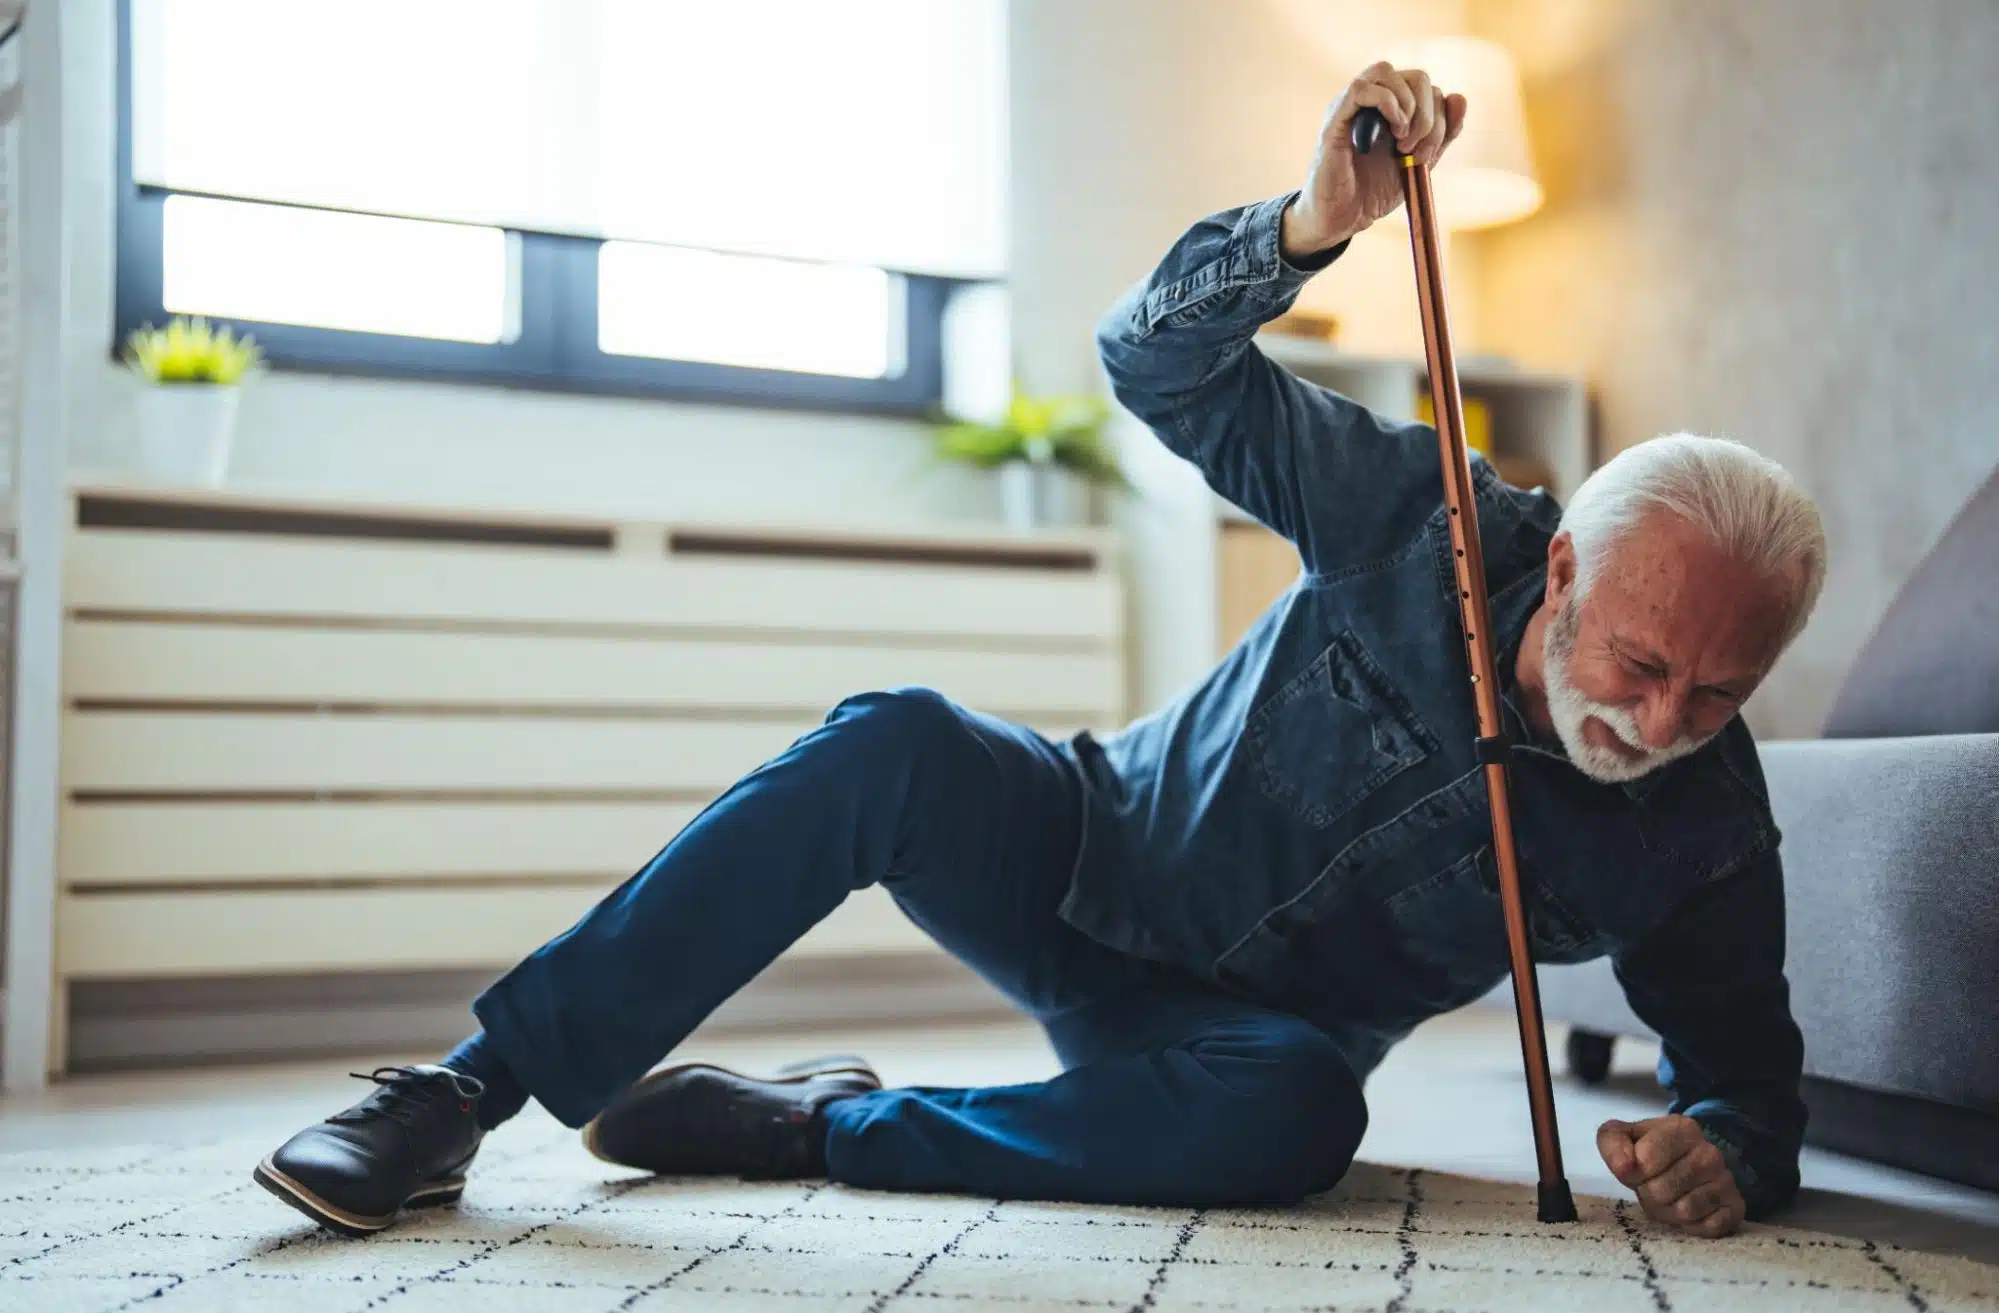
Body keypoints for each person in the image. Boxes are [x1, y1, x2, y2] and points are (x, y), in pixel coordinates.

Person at [254, 61, 1825, 1244]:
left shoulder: (1701, 821)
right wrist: (1305, 226)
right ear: (1559, 563)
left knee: (1294, 1121)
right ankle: (461, 1094)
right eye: (1636, 659)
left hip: (1233, 1045)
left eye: (1719, 692)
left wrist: (1719, 1151)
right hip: (1081, 849)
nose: (1660, 717)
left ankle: (830, 1129)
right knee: (895, 735)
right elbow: (1155, 362)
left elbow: (1745, 1084)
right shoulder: (1424, 516)